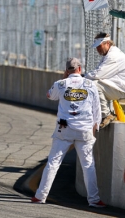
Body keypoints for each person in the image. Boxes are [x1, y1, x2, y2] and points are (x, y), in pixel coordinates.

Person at [30, 58, 106, 208]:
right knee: (88, 165)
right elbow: (97, 110)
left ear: (66, 71)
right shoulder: (91, 85)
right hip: (85, 129)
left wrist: (64, 79)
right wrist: (94, 129)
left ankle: (40, 196)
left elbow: (49, 96)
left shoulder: (60, 84)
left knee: (53, 163)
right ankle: (94, 200)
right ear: (80, 69)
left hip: (64, 129)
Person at [85, 32, 125, 129]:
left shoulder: (113, 56)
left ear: (107, 43)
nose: (97, 49)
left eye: (99, 46)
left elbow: (98, 74)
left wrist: (82, 78)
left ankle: (106, 115)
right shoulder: (109, 54)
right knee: (91, 85)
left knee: (93, 85)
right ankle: (98, 114)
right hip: (119, 87)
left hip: (124, 90)